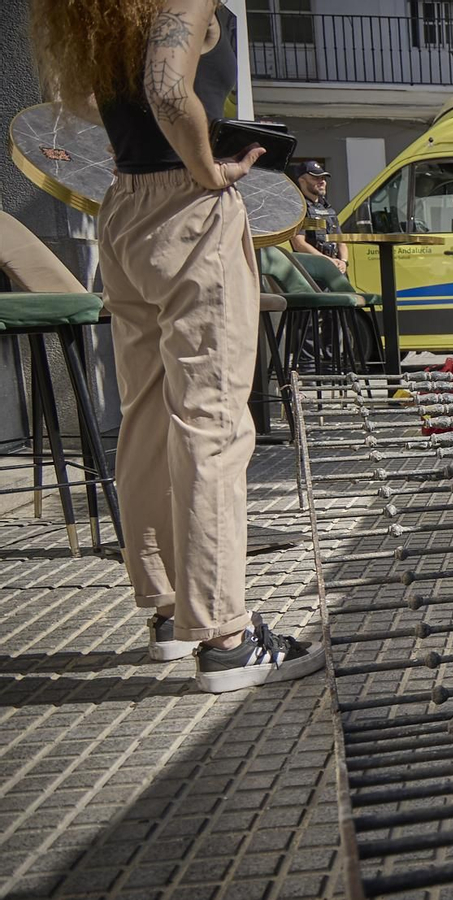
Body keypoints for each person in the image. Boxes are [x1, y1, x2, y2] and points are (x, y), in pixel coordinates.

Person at [31, 0, 323, 692]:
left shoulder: (106, 12)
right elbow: (167, 90)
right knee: (213, 420)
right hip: (188, 209)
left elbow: (91, 102)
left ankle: (168, 609)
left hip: (126, 205)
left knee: (149, 413)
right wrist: (206, 166)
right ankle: (224, 635)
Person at [288, 160, 346, 273]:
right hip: (312, 272)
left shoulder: (327, 208)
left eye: (323, 178)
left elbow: (341, 241)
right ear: (302, 181)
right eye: (316, 178)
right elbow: (299, 244)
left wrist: (343, 261)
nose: (322, 182)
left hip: (334, 269)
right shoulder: (298, 208)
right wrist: (326, 260)